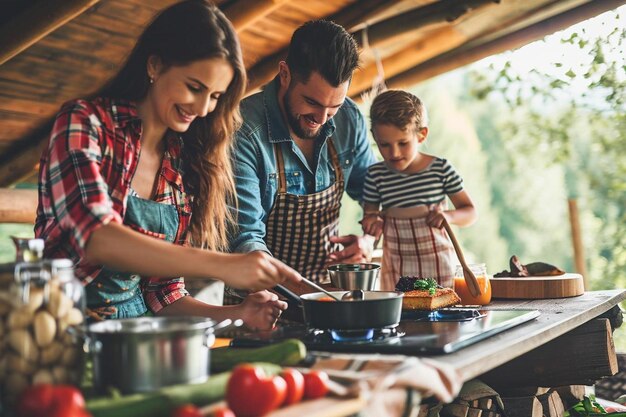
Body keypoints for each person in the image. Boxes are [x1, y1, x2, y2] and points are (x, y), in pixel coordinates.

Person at [34, 0, 301, 330]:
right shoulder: (84, 123)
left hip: (139, 340)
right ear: (155, 66)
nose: (203, 108)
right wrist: (224, 265)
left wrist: (240, 314)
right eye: (194, 87)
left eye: (216, 95)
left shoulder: (185, 161)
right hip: (58, 331)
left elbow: (164, 295)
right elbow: (97, 239)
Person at [228, 20, 378, 294]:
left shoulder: (349, 119)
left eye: (334, 106)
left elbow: (375, 192)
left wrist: (367, 240)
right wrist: (295, 293)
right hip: (258, 298)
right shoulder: (244, 130)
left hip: (325, 290)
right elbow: (245, 236)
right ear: (285, 74)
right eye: (312, 102)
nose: (321, 119)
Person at [361, 90, 477, 290]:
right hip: (397, 268)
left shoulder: (440, 169)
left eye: (403, 143)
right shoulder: (375, 175)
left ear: (421, 135)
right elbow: (370, 216)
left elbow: (470, 213)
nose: (394, 153)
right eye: (384, 145)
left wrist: (449, 216)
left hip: (439, 267)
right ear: (374, 137)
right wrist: (372, 222)